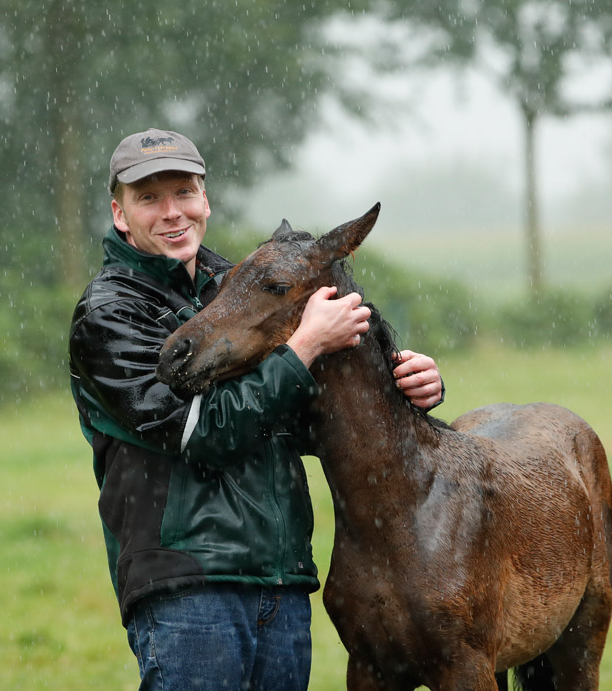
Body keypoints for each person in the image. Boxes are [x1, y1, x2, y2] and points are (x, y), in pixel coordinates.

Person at [68, 128, 443, 690]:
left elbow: (314, 422)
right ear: (120, 214)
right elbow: (201, 433)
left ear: (205, 201)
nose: (172, 213)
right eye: (149, 198)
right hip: (188, 589)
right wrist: (306, 345)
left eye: (184, 193)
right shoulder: (109, 315)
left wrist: (409, 387)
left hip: (283, 584)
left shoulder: (243, 290)